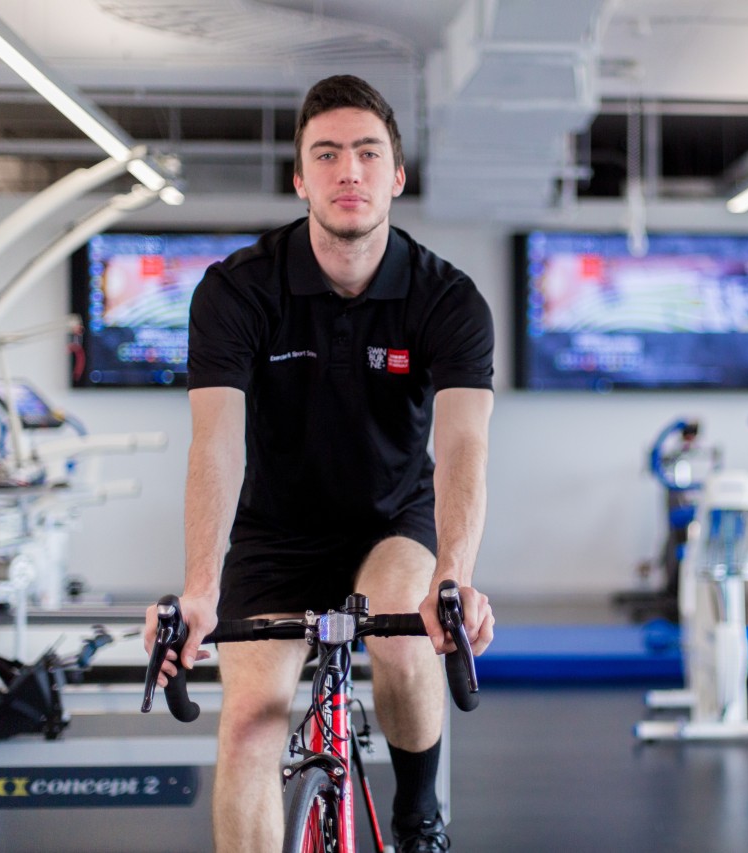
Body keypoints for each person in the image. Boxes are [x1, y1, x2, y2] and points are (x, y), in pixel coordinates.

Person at [143, 74, 495, 853]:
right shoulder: (236, 291)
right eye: (327, 154)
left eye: (369, 153)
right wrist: (200, 588)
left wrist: (456, 578)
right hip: (273, 533)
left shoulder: (449, 299)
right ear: (300, 177)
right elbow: (216, 441)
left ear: (396, 176)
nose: (350, 171)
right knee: (245, 728)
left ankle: (417, 813)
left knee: (405, 635)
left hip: (390, 520)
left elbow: (465, 443)